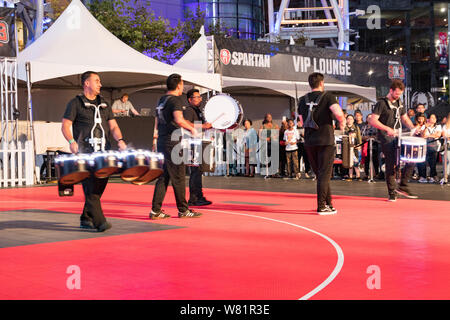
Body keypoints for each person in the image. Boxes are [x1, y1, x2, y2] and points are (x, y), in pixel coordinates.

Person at [61, 71, 127, 232]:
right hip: (86, 152)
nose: (100, 84)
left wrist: (120, 140)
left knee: (98, 187)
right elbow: (65, 125)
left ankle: (86, 218)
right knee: (90, 187)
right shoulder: (75, 103)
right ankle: (100, 221)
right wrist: (71, 142)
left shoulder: (104, 104)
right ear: (87, 83)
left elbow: (113, 126)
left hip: (105, 152)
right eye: (97, 81)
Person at [150, 74, 202, 219]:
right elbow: (179, 119)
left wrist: (155, 138)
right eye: (182, 84)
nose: (183, 86)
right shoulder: (175, 100)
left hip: (162, 141)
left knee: (163, 177)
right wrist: (192, 129)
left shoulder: (162, 100)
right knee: (178, 177)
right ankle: (183, 210)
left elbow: (157, 121)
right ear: (178, 85)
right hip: (173, 143)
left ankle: (155, 210)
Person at [298, 72, 346, 214]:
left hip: (310, 141)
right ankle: (321, 206)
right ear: (321, 83)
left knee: (321, 174)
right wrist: (342, 122)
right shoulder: (328, 96)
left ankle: (328, 203)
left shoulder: (302, 99)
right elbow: (338, 113)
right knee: (324, 174)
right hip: (325, 140)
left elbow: (301, 121)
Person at [367, 80, 417, 202]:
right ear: (391, 90)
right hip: (386, 137)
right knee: (391, 165)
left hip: (399, 135)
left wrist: (413, 128)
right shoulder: (381, 103)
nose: (398, 96)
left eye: (400, 94)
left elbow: (404, 118)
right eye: (396, 94)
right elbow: (373, 120)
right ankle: (392, 192)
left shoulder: (400, 102)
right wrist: (387, 129)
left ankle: (403, 185)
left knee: (411, 158)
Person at [183, 88, 213, 206]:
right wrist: (203, 125)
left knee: (198, 171)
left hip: (198, 142)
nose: (200, 99)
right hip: (192, 143)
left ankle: (198, 196)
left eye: (200, 97)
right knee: (195, 171)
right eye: (197, 97)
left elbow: (201, 127)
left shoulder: (198, 110)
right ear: (190, 100)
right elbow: (186, 123)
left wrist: (207, 127)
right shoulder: (189, 110)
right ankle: (193, 198)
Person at [421, 114, 441, 183]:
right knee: (423, 161)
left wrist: (428, 135)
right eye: (430, 118)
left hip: (434, 146)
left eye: (433, 118)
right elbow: (423, 135)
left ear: (435, 120)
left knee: (433, 162)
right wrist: (426, 128)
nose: (431, 119)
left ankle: (432, 176)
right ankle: (423, 176)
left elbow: (438, 135)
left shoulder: (438, 126)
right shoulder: (424, 126)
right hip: (425, 145)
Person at [259, 113, 279, 178]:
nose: (269, 118)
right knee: (268, 158)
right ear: (265, 118)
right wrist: (265, 138)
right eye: (268, 117)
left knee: (274, 157)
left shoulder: (275, 126)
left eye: (270, 117)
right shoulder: (263, 126)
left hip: (274, 143)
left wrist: (274, 137)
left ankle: (274, 172)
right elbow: (259, 135)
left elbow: (278, 134)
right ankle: (268, 172)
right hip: (266, 143)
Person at [344, 114, 363, 181]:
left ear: (353, 120)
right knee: (349, 163)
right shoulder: (344, 127)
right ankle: (350, 176)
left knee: (356, 162)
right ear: (346, 120)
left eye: (351, 119)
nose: (349, 120)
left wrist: (359, 145)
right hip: (347, 148)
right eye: (348, 119)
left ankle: (358, 176)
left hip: (355, 147)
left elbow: (359, 137)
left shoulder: (356, 127)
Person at [440, 112, 450, 184]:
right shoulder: (444, 126)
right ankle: (445, 176)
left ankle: (446, 175)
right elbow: (444, 135)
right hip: (447, 145)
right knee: (447, 161)